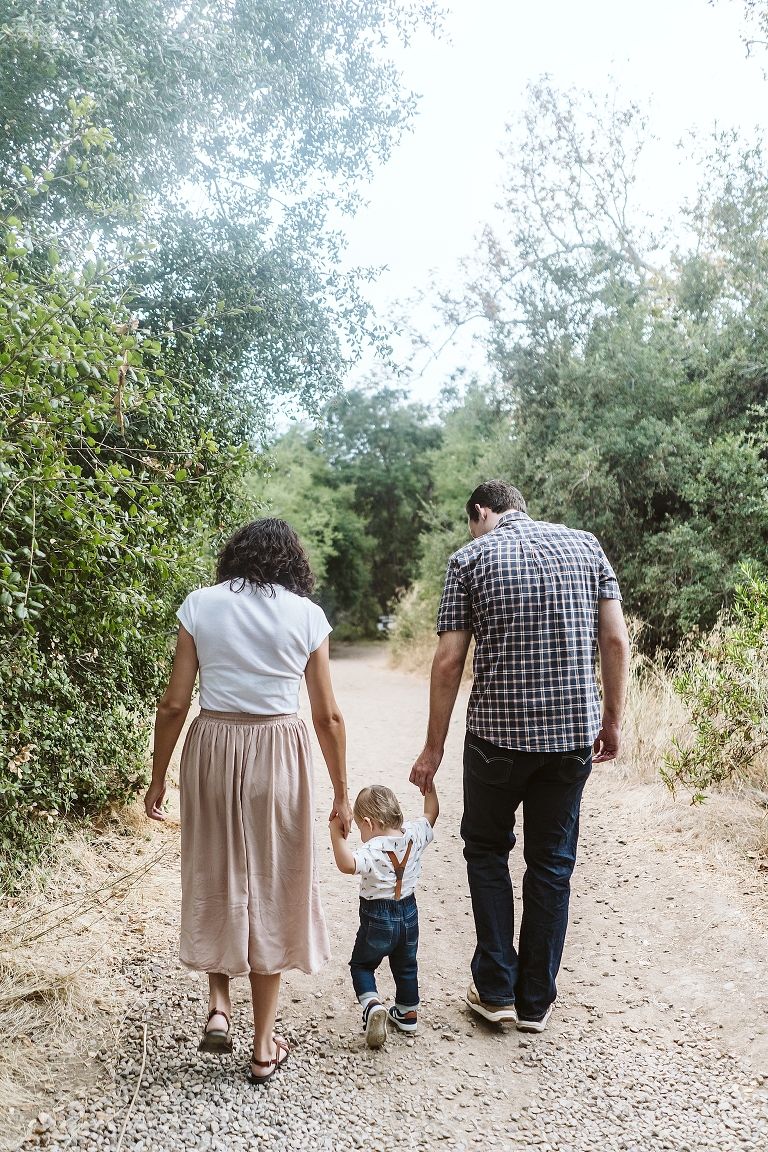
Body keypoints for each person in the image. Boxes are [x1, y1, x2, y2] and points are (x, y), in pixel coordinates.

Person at [409, 480, 630, 1033]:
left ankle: (495, 991)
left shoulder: (470, 559)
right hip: (571, 740)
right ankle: (535, 1002)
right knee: (552, 862)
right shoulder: (587, 546)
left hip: (495, 743)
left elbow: (447, 662)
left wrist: (433, 748)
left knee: (486, 852)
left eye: (472, 520)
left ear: (481, 512)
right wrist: (611, 722)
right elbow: (616, 642)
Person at [144, 518, 352, 1084]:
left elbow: (173, 704)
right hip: (279, 751)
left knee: (217, 871)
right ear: (292, 563)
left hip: (211, 747)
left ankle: (218, 1006)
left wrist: (158, 777)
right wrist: (340, 789)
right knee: (274, 883)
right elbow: (327, 715)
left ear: (233, 557)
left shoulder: (199, 606)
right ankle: (263, 1047)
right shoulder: (307, 615)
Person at [329, 783, 439, 1048]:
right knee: (406, 965)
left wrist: (336, 834)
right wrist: (430, 787)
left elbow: (347, 864)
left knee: (362, 964)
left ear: (368, 822)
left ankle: (372, 1004)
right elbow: (432, 812)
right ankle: (407, 1013)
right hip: (409, 914)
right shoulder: (414, 834)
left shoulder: (373, 848)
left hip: (378, 917)